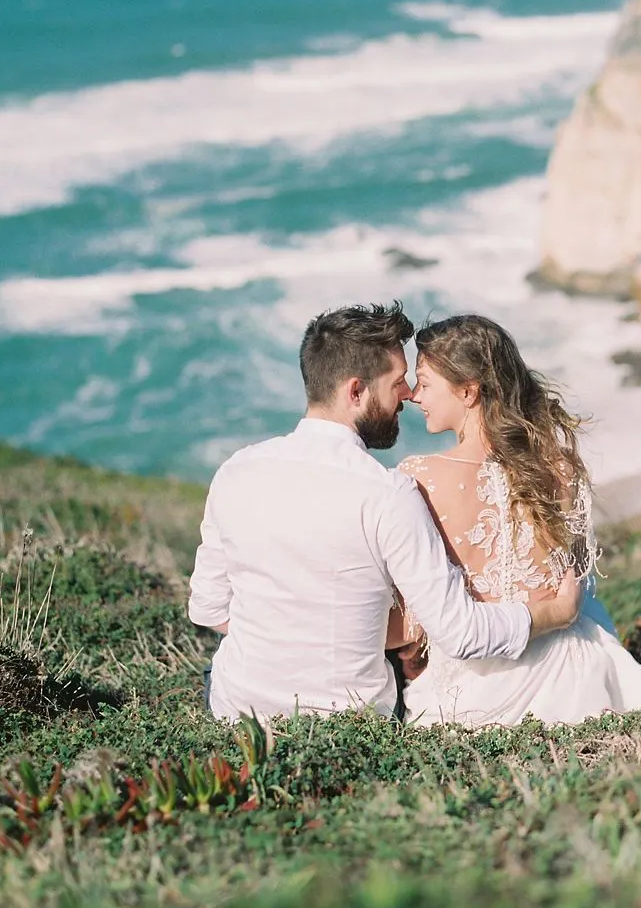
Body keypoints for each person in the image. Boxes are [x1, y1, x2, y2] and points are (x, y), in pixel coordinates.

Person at [187, 303, 582, 721]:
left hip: (236, 707)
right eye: (397, 383)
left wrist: (284, 640)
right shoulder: (389, 493)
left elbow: (208, 610)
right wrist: (556, 612)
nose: (409, 395)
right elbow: (462, 634)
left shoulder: (236, 471)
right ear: (356, 392)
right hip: (350, 719)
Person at [397, 314, 641, 727]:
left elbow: (423, 616)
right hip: (575, 671)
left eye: (425, 382)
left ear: (468, 391)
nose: (415, 396)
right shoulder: (560, 468)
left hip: (477, 688)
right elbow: (579, 588)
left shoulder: (420, 477)